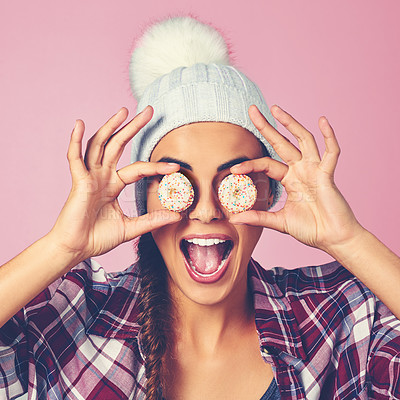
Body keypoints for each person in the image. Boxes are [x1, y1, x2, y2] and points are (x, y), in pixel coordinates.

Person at [1, 15, 400, 400]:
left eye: (234, 180)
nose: (207, 210)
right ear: (145, 196)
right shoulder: (76, 319)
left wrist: (350, 240)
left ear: (268, 192)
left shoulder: (338, 318)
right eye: (178, 180)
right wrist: (61, 249)